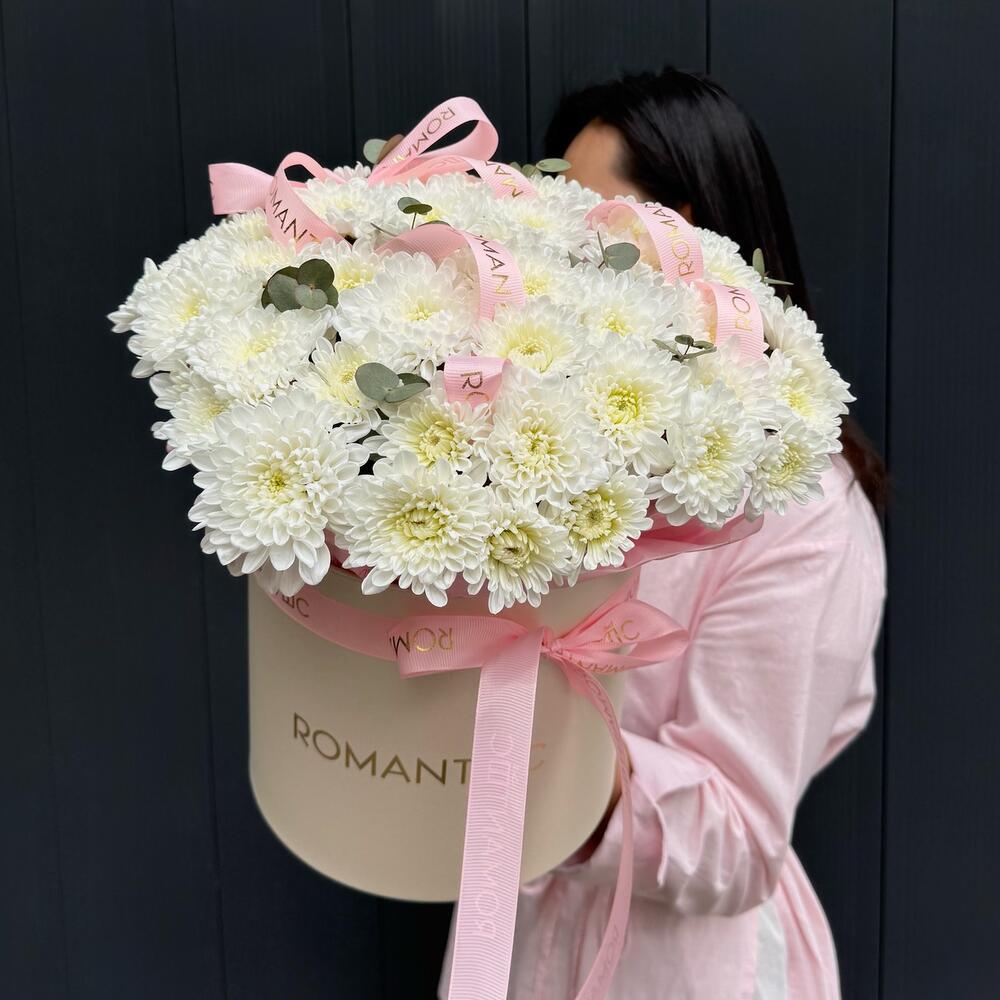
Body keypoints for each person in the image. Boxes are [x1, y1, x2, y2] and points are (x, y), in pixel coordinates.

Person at [438, 67, 888, 999]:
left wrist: (528, 745)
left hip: (676, 965)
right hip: (515, 934)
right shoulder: (562, 433)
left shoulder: (802, 508)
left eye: (586, 220)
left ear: (683, 232)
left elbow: (738, 840)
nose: (553, 253)